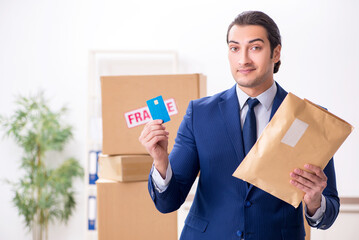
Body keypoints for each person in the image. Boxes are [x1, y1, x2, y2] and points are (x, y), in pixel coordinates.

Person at [139, 11, 339, 240]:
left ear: (276, 53)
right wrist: (161, 160)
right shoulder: (200, 114)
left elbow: (328, 212)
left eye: (255, 48)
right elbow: (168, 202)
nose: (243, 59)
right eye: (234, 48)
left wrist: (315, 202)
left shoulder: (308, 119)